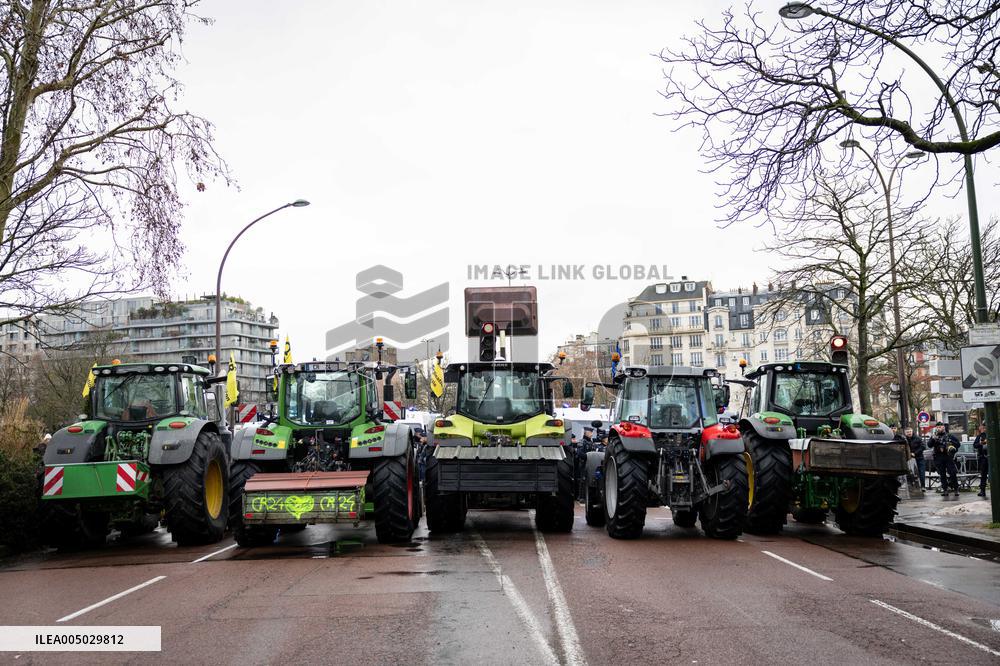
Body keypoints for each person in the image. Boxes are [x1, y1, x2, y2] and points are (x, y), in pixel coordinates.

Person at [929, 422, 960, 497]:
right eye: (937, 427)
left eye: (940, 427)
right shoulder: (934, 436)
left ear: (943, 427)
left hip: (948, 457)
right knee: (942, 474)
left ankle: (956, 489)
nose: (938, 428)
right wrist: (933, 439)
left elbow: (958, 444)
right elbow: (929, 445)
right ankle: (945, 490)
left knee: (952, 473)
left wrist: (950, 444)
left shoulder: (949, 435)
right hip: (938, 456)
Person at [973, 424, 989, 498]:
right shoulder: (979, 436)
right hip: (983, 458)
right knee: (983, 475)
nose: (980, 428)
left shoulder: (990, 434)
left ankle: (983, 491)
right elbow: (975, 445)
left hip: (990, 458)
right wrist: (981, 443)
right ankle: (982, 491)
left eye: (982, 427)